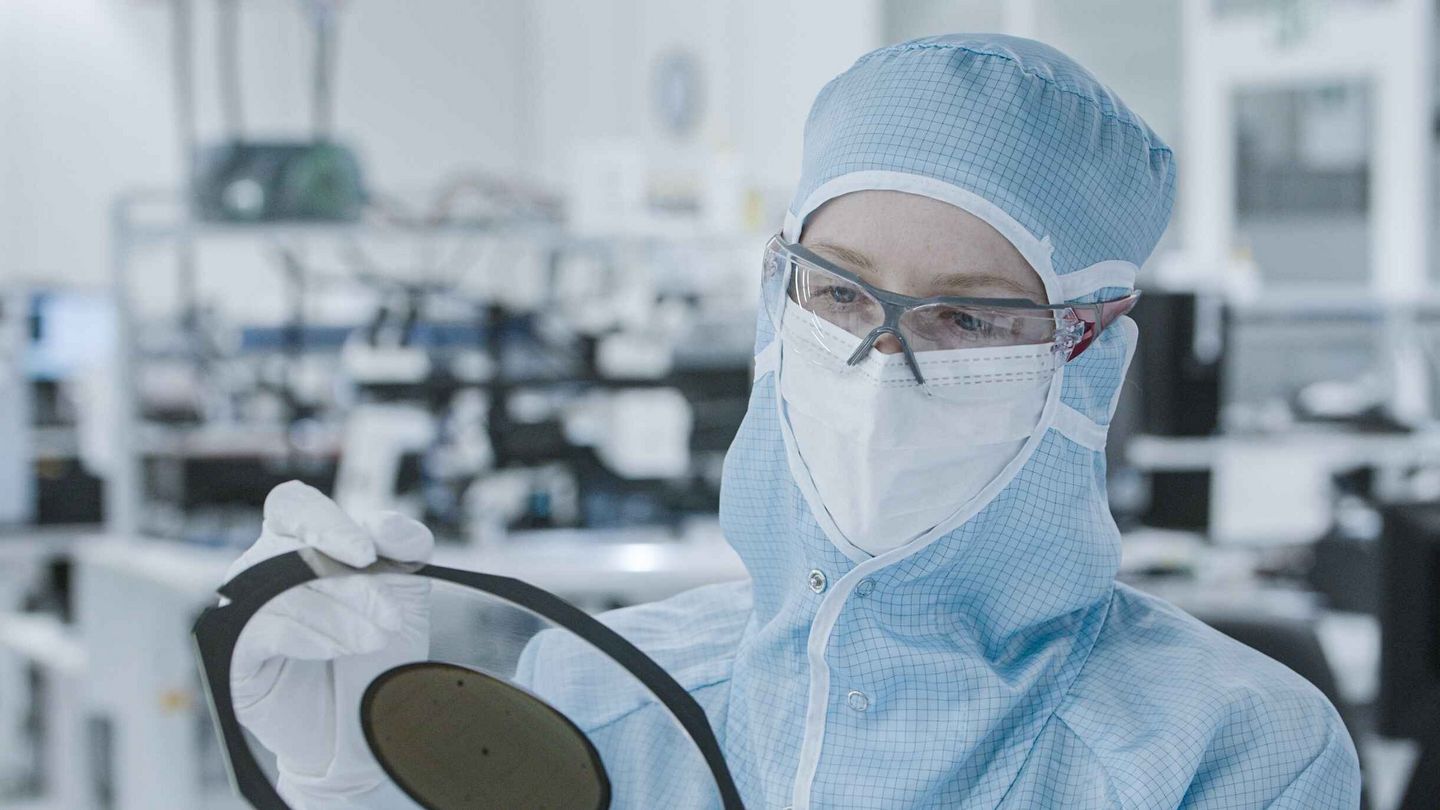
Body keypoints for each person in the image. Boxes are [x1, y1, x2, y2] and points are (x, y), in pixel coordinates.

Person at [226, 34, 1361, 808]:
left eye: (967, 316)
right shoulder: (599, 697)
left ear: (1087, 357)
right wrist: (350, 782)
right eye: (841, 294)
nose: (882, 363)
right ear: (780, 298)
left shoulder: (1229, 753)